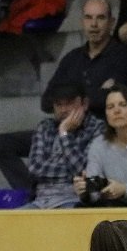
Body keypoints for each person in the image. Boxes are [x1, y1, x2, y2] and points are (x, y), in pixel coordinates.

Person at [0, 0, 127, 193]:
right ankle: (31, 192)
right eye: (89, 18)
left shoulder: (121, 56)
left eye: (101, 18)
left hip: (97, 132)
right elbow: (47, 101)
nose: (94, 24)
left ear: (111, 23)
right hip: (62, 129)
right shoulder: (72, 58)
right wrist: (94, 94)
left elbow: (119, 98)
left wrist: (76, 97)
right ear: (82, 22)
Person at [20, 80, 107, 210]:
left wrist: (64, 133)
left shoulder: (98, 128)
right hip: (40, 200)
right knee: (3, 224)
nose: (63, 110)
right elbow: (34, 168)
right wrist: (70, 173)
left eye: (70, 103)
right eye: (58, 105)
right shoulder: (45, 127)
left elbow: (86, 171)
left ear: (85, 104)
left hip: (74, 199)